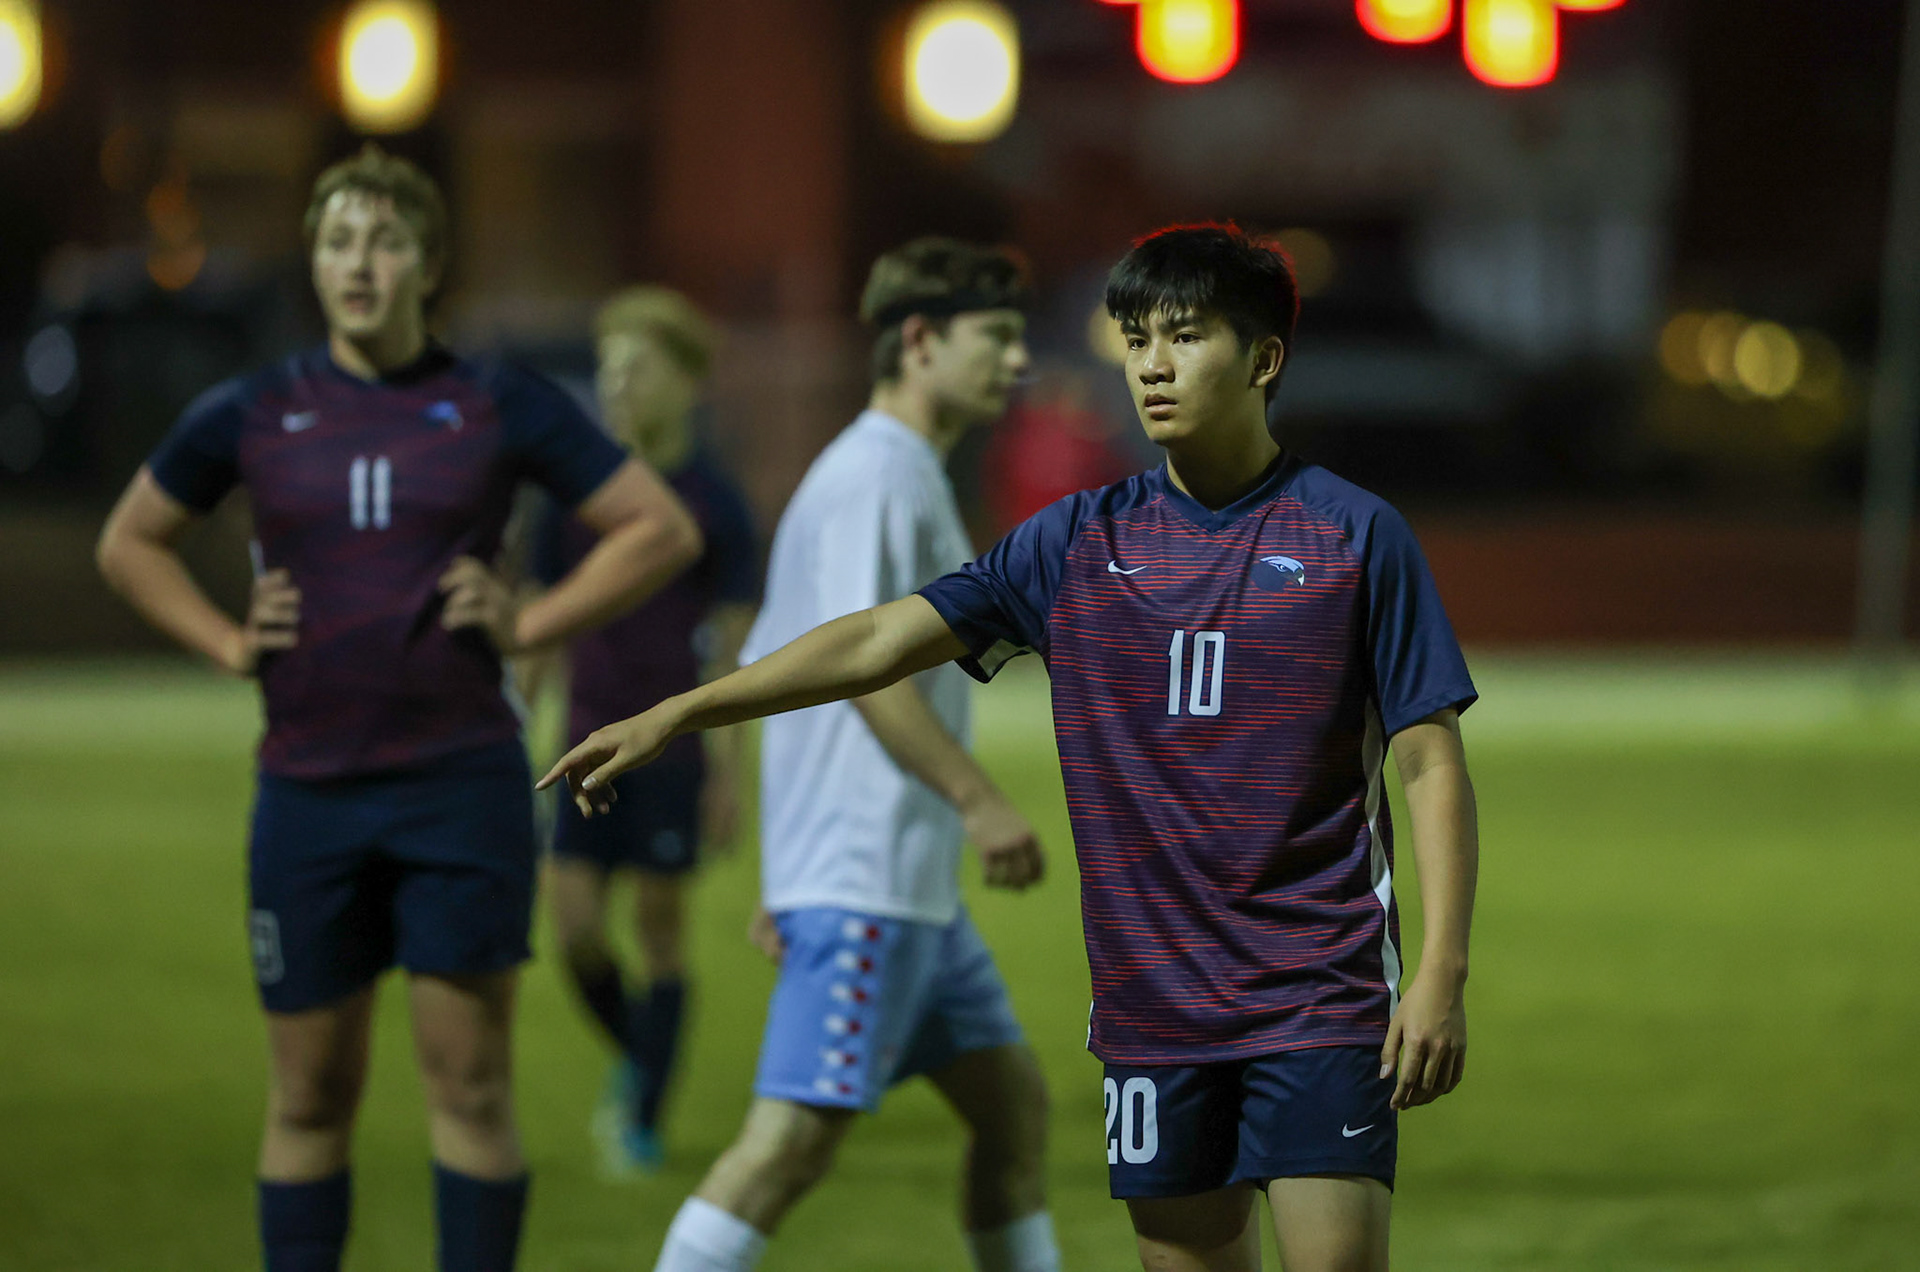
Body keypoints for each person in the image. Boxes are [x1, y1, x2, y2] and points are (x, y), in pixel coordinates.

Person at [542, 223, 1481, 1272]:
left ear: (1263, 359)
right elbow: (876, 640)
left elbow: (1429, 759)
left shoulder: (1353, 535)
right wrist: (681, 710)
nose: (1151, 366)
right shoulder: (1077, 541)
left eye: (1185, 337)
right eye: (1134, 339)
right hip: (1153, 1009)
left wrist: (1439, 970)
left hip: (1316, 992)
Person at [95, 144, 703, 1272]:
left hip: (458, 786)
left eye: (384, 239)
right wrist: (228, 640)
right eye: (336, 241)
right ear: (314, 263)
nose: (358, 262)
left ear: (430, 260)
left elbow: (658, 528)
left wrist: (530, 619)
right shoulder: (259, 408)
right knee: (310, 1092)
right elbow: (129, 541)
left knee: (469, 1085)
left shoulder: (492, 399)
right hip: (307, 790)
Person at [624, 238, 1062, 1272]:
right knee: (786, 1147)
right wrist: (978, 801)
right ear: (918, 342)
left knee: (1013, 1114)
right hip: (869, 877)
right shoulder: (876, 476)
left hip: (902, 886)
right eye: (994, 339)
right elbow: (863, 674)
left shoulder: (901, 470)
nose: (1015, 363)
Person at [527, 286, 759, 1173]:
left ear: (688, 381)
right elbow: (538, 623)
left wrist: (726, 773)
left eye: (638, 369)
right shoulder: (574, 495)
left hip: (670, 750)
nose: (618, 387)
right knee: (575, 927)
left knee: (660, 931)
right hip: (583, 742)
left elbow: (730, 660)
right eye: (609, 369)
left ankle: (642, 1118)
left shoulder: (718, 505)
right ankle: (642, 1059)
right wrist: (520, 726)